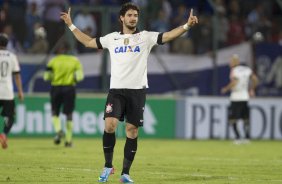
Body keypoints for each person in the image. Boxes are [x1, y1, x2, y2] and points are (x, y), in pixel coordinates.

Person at [60, 2, 198, 183]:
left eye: (136, 16)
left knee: (131, 131)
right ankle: (108, 166)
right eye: (130, 15)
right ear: (122, 18)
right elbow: (87, 41)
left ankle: (125, 173)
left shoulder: (145, 37)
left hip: (137, 91)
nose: (133, 18)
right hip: (116, 90)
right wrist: (71, 24)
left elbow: (168, 35)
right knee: (110, 125)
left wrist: (187, 26)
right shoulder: (112, 38)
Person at [43, 42, 84, 147]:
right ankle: (68, 141)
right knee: (69, 114)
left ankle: (58, 130)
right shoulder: (75, 61)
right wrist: (71, 78)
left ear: (58, 51)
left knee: (54, 111)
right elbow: (79, 77)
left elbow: (46, 77)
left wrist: (55, 77)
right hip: (69, 88)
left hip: (56, 88)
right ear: (68, 50)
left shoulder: (53, 61)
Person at [221, 54, 258, 144]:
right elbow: (255, 79)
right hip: (245, 97)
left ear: (235, 62)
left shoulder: (234, 71)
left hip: (236, 97)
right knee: (245, 118)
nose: (230, 63)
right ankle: (247, 138)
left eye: (231, 61)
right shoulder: (247, 69)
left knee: (233, 118)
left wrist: (226, 89)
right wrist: (252, 89)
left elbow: (235, 81)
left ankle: (237, 138)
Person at [0, 34, 24, 149]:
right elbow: (17, 76)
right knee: (10, 116)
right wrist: (20, 91)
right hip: (7, 92)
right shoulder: (12, 56)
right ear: (6, 44)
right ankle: (4, 134)